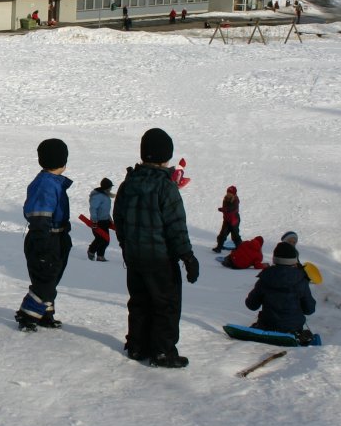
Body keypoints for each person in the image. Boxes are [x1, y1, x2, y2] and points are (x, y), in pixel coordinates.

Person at [113, 128, 199, 368]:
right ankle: (162, 351)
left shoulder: (127, 184)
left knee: (139, 301)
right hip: (160, 259)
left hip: (135, 257)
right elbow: (175, 226)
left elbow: (118, 217)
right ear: (166, 156)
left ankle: (137, 345)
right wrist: (187, 256)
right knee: (166, 304)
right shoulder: (166, 187)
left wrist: (126, 243)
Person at [15, 138, 73, 330]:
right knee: (45, 278)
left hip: (56, 237)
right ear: (62, 161)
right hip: (44, 238)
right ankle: (27, 315)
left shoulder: (54, 182)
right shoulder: (46, 184)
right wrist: (43, 242)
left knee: (51, 277)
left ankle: (44, 313)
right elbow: (40, 215)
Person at [245, 241, 316, 339]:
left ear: (275, 259)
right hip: (293, 330)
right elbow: (310, 309)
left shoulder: (265, 278)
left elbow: (251, 305)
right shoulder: (301, 280)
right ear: (293, 260)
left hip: (267, 327)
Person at [86, 177, 114, 262]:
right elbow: (93, 208)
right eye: (110, 186)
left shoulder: (105, 195)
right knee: (100, 239)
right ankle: (91, 251)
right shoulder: (98, 196)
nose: (111, 188)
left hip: (105, 221)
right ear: (106, 187)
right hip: (98, 222)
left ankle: (100, 256)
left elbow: (105, 210)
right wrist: (94, 220)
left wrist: (109, 219)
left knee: (106, 240)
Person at [212, 185, 243, 253]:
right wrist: (224, 210)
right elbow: (226, 209)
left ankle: (240, 249)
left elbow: (232, 209)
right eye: (228, 192)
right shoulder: (225, 199)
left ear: (234, 194)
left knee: (235, 236)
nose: (228, 194)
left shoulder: (236, 200)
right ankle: (219, 247)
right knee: (222, 234)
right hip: (227, 220)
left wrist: (223, 209)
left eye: (230, 193)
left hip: (234, 221)